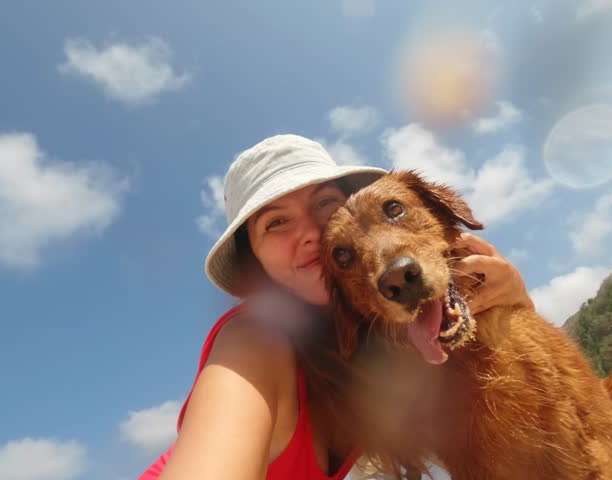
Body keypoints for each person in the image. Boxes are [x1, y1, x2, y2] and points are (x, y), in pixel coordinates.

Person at [139, 134, 534, 480]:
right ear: (256, 264)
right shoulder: (252, 342)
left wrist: (517, 303)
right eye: (276, 223)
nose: (313, 231)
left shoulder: (383, 330)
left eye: (325, 202)